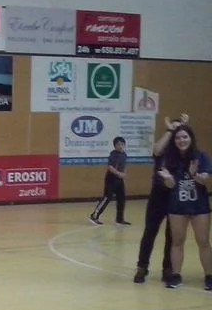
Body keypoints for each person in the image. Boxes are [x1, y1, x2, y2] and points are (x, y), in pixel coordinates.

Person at [156, 123, 212, 289]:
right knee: (177, 241)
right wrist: (168, 179)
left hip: (199, 206)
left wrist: (194, 174)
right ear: (174, 141)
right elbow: (171, 185)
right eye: (178, 137)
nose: (181, 140)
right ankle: (176, 275)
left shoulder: (201, 156)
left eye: (185, 137)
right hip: (177, 207)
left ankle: (209, 276)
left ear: (191, 138)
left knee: (203, 241)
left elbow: (205, 180)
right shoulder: (170, 159)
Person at [133, 115, 185, 283]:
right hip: (158, 194)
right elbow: (156, 150)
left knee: (172, 234)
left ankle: (167, 269)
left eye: (178, 129)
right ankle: (142, 267)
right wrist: (170, 129)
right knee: (150, 230)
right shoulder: (163, 149)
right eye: (173, 128)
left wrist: (182, 130)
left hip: (175, 195)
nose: (175, 131)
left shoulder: (182, 152)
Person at [89, 137, 130, 225]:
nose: (120, 146)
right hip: (111, 178)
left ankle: (119, 219)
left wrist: (123, 174)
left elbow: (123, 166)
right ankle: (94, 216)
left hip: (119, 180)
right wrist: (119, 174)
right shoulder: (113, 155)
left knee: (121, 198)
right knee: (107, 197)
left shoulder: (124, 155)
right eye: (118, 144)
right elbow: (110, 167)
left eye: (122, 144)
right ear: (115, 146)